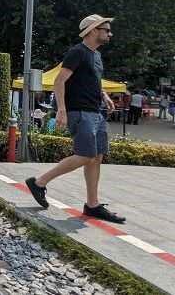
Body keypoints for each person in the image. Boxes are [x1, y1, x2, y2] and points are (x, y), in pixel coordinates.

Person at [25, 14, 125, 224]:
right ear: (92, 30)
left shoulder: (95, 56)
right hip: (80, 112)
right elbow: (59, 81)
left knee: (97, 156)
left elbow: (94, 81)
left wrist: (104, 95)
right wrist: (61, 109)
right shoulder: (77, 52)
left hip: (96, 111)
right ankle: (39, 182)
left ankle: (92, 205)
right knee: (85, 155)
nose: (109, 33)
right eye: (105, 29)